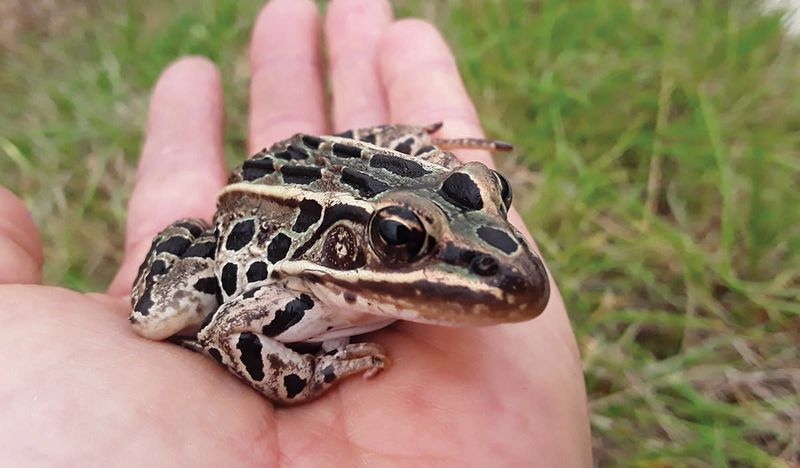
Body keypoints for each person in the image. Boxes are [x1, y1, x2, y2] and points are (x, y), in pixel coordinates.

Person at [0, 0, 591, 465]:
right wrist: (306, 376)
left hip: (323, 163)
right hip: (256, 215)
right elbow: (230, 327)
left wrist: (414, 149)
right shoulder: (291, 299)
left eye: (495, 195)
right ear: (364, 241)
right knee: (160, 317)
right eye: (401, 238)